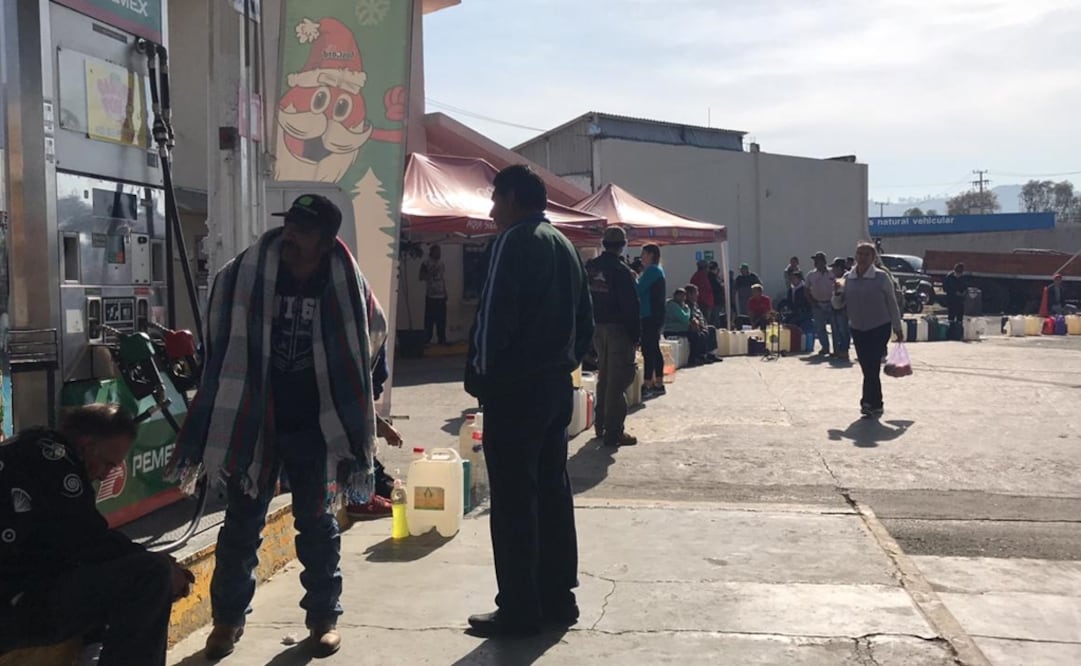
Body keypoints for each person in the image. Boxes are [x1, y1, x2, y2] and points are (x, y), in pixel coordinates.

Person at [170, 193, 387, 659]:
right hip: (254, 418)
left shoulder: (346, 283)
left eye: (303, 230)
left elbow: (371, 339)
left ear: (326, 242)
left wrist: (359, 407)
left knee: (317, 524)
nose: (290, 234)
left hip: (314, 424)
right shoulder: (242, 274)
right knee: (241, 525)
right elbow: (218, 339)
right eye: (289, 224)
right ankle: (227, 622)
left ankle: (324, 619)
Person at [464, 165, 593, 638]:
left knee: (515, 501)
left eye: (495, 199)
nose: (492, 210)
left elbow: (493, 318)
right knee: (552, 493)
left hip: (515, 392)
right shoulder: (565, 246)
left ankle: (519, 607)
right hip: (556, 387)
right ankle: (559, 597)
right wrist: (562, 365)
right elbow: (585, 322)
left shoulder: (513, 242)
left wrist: (481, 378)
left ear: (514, 198)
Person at [0, 404, 193, 666]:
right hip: (12, 607)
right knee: (150, 575)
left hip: (17, 591)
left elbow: (78, 538)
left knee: (107, 568)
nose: (104, 475)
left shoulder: (31, 447)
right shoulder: (59, 468)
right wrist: (166, 566)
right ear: (87, 446)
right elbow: (90, 541)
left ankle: (95, 645)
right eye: (108, 464)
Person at [586, 226, 640, 448]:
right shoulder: (621, 271)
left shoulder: (591, 268)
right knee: (617, 382)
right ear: (622, 245)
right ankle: (614, 432)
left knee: (604, 378)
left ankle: (600, 425)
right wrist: (635, 336)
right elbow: (631, 306)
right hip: (618, 330)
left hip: (597, 328)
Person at [835, 242, 903, 418]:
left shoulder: (881, 277)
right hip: (858, 328)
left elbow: (892, 303)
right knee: (867, 366)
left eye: (866, 254)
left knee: (872, 364)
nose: (862, 257)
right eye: (859, 254)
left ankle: (866, 402)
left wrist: (897, 327)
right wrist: (836, 293)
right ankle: (877, 403)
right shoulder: (848, 278)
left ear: (873, 258)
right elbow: (837, 305)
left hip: (879, 326)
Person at [636, 244, 667, 397]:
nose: (642, 257)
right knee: (653, 348)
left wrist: (632, 278)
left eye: (644, 254)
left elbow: (638, 289)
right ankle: (658, 382)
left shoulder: (652, 271)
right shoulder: (658, 270)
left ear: (651, 255)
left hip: (650, 315)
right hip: (655, 315)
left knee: (649, 349)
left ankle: (648, 383)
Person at [806, 252, 835, 356]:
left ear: (823, 261)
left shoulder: (832, 273)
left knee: (835, 327)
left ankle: (837, 349)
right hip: (817, 304)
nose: (815, 263)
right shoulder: (811, 275)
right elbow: (806, 290)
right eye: (815, 261)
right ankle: (825, 347)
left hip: (831, 303)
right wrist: (812, 303)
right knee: (820, 328)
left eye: (817, 260)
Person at [420, 244, 448, 345]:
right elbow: (421, 277)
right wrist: (431, 272)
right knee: (429, 320)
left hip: (441, 296)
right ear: (432, 252)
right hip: (431, 296)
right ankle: (427, 339)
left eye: (440, 251)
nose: (439, 253)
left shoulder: (441, 263)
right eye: (437, 251)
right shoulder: (426, 263)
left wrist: (445, 292)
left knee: (442, 319)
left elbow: (442, 278)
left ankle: (442, 339)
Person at [684, 285, 720, 364]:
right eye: (695, 293)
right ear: (689, 294)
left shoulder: (695, 304)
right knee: (701, 334)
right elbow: (690, 318)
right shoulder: (686, 305)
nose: (697, 295)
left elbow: (701, 316)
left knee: (711, 329)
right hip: (692, 326)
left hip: (700, 325)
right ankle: (700, 356)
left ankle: (711, 353)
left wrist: (704, 324)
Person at [830, 258, 851, 362]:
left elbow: (841, 292)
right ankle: (838, 350)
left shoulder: (846, 277)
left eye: (834, 268)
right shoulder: (838, 278)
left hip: (843, 307)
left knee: (843, 330)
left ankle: (844, 351)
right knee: (837, 330)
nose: (832, 270)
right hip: (836, 306)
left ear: (839, 268)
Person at [707, 261, 726, 327]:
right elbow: (718, 287)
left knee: (714, 317)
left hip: (714, 300)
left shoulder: (711, 276)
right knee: (715, 318)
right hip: (715, 301)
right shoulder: (712, 277)